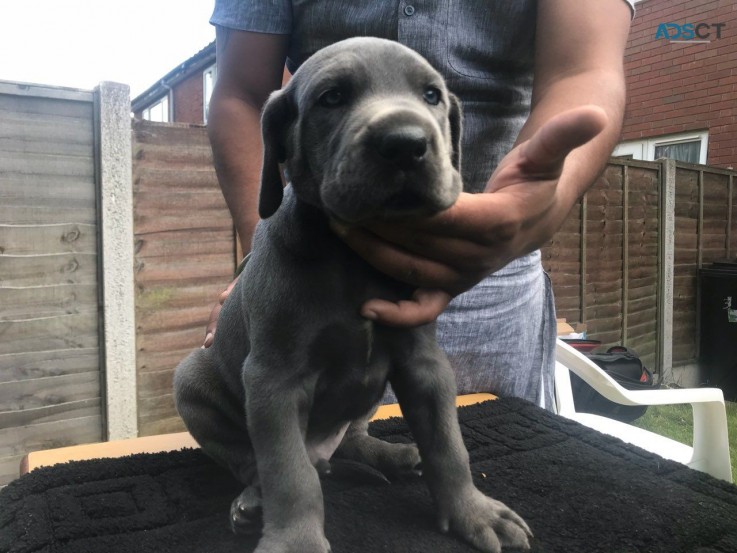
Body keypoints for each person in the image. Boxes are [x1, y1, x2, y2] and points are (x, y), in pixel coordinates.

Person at [203, 1, 634, 410]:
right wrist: (264, 256)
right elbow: (242, 93)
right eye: (335, 96)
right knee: (309, 457)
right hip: (315, 259)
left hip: (496, 270)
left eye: (430, 97)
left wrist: (536, 204)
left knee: (498, 460)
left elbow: (583, 70)